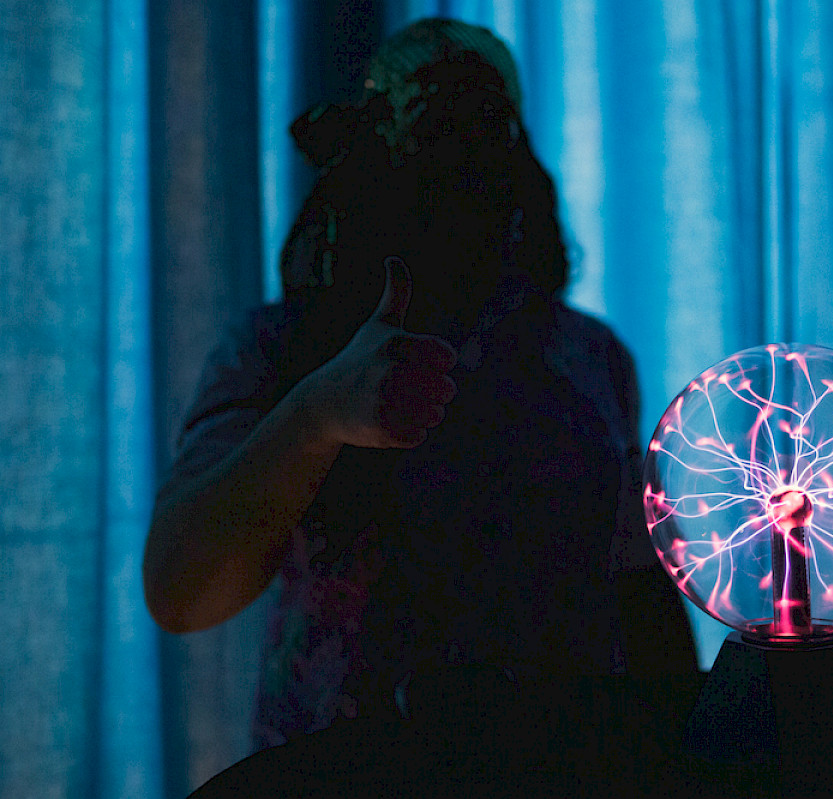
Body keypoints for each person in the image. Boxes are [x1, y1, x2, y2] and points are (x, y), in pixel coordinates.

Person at [142, 18, 696, 749]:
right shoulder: (280, 349)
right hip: (339, 767)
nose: (459, 169)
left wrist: (690, 747)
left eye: (484, 132)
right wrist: (316, 416)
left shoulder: (586, 356)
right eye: (432, 133)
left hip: (563, 760)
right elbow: (181, 591)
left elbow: (638, 583)